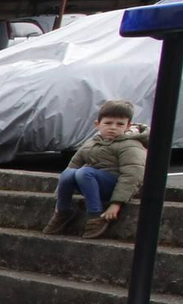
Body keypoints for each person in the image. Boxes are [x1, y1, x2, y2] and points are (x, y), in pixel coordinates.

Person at [46, 99, 145, 239]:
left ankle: (95, 215)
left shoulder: (130, 145)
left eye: (120, 124)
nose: (113, 127)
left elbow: (132, 175)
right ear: (97, 124)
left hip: (114, 188)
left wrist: (116, 204)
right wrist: (59, 196)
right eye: (108, 123)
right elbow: (73, 164)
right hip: (92, 183)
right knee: (69, 173)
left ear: (128, 126)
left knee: (84, 172)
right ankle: (62, 211)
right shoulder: (92, 142)